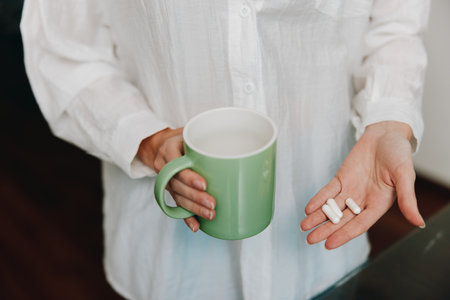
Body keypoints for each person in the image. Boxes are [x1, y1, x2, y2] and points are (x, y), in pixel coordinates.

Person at [21, 0, 429, 299]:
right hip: (172, 268)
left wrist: (389, 119)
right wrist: (149, 142)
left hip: (323, 231)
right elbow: (64, 51)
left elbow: (395, 25)